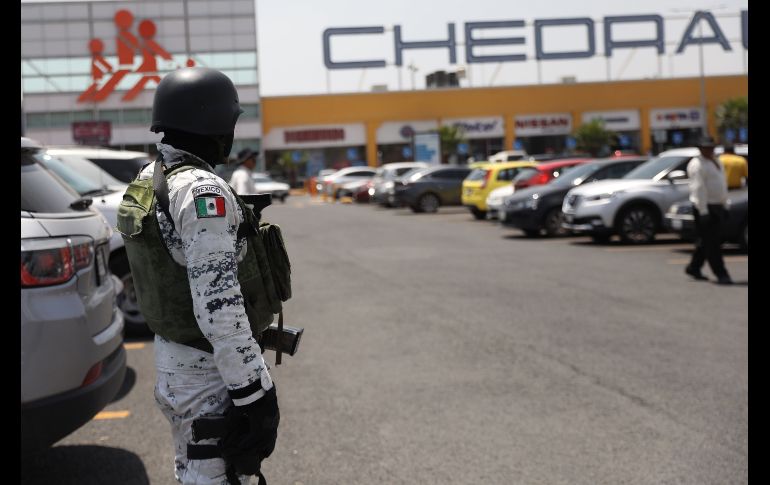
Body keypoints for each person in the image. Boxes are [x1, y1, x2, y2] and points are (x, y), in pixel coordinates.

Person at [117, 67, 279, 484]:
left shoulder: (151, 178)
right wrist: (253, 391)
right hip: (209, 374)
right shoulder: (201, 190)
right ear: (213, 122)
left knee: (194, 471)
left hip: (177, 360)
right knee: (217, 476)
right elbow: (218, 305)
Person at [684, 135, 733, 285]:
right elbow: (698, 189)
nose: (709, 150)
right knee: (713, 243)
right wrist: (703, 211)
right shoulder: (697, 164)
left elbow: (721, 185)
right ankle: (721, 273)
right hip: (705, 207)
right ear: (700, 149)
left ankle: (694, 267)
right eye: (706, 148)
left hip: (717, 205)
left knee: (707, 241)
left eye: (711, 147)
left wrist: (725, 204)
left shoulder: (716, 161)